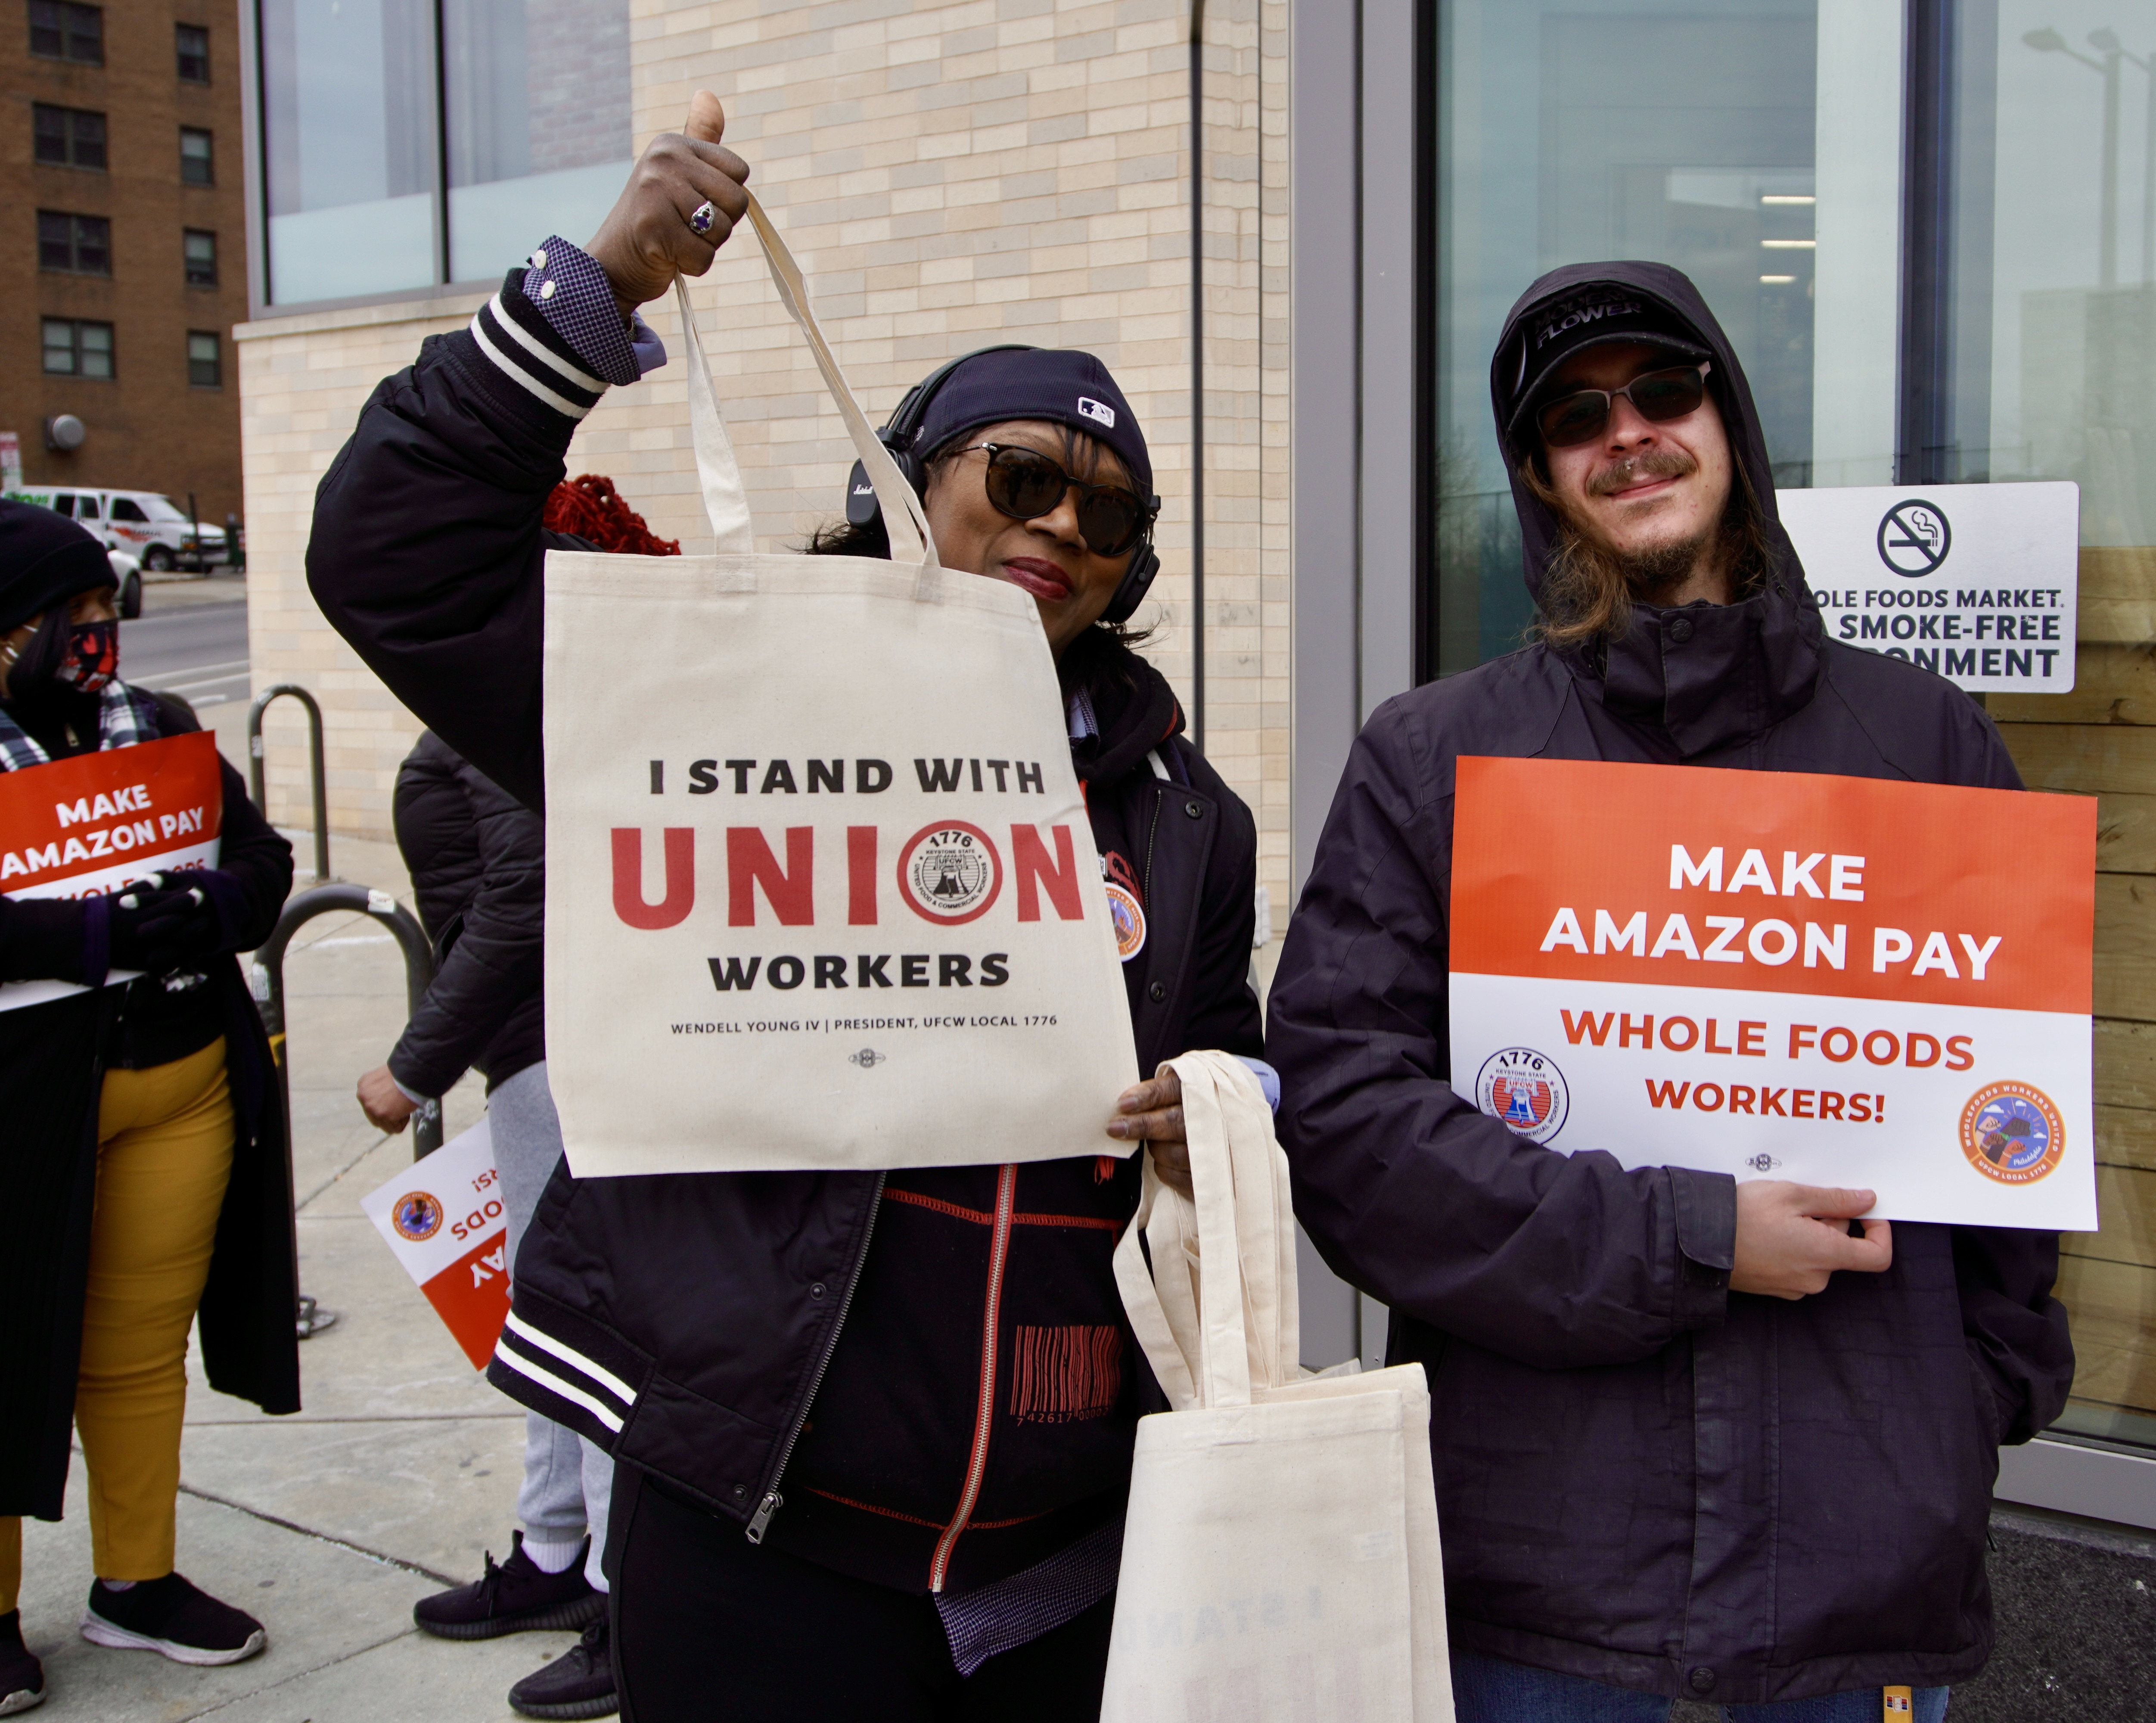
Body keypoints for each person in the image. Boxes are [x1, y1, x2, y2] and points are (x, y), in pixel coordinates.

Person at [305, 92, 1271, 1722]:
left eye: (1109, 519)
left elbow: (1239, 1049)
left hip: (1070, 1556)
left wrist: (1220, 1105)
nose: (1060, 528)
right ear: (904, 472)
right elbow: (395, 562)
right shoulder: (717, 699)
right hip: (759, 1522)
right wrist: (589, 295)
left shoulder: (1187, 815)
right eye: (1023, 475)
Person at [1263, 263, 2075, 1720]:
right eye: (1577, 415)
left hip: (1865, 1566)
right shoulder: (1436, 758)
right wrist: (1694, 1238)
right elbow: (1352, 1129)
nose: (1627, 431)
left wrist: (1971, 1405)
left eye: (1663, 389)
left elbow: (2010, 1125)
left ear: (1729, 419)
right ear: (1542, 480)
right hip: (1545, 1586)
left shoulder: (1926, 740)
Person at [0, 502, 296, 1714]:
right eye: (59, 616)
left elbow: (260, 856)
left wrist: (211, 909)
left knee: (136, 1357)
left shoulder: (159, 729)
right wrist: (94, 929)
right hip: (28, 1099)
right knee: (8, 1348)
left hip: (182, 1081)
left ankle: (138, 1581)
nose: (88, 633)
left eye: (99, 609)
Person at [356, 731, 615, 1720]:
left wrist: (416, 1063)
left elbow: (524, 898)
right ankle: (556, 1551)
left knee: (585, 1323)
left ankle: (613, 1592)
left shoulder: (498, 702)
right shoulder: (479, 697)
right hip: (535, 1048)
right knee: (547, 1310)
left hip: (561, 1044)